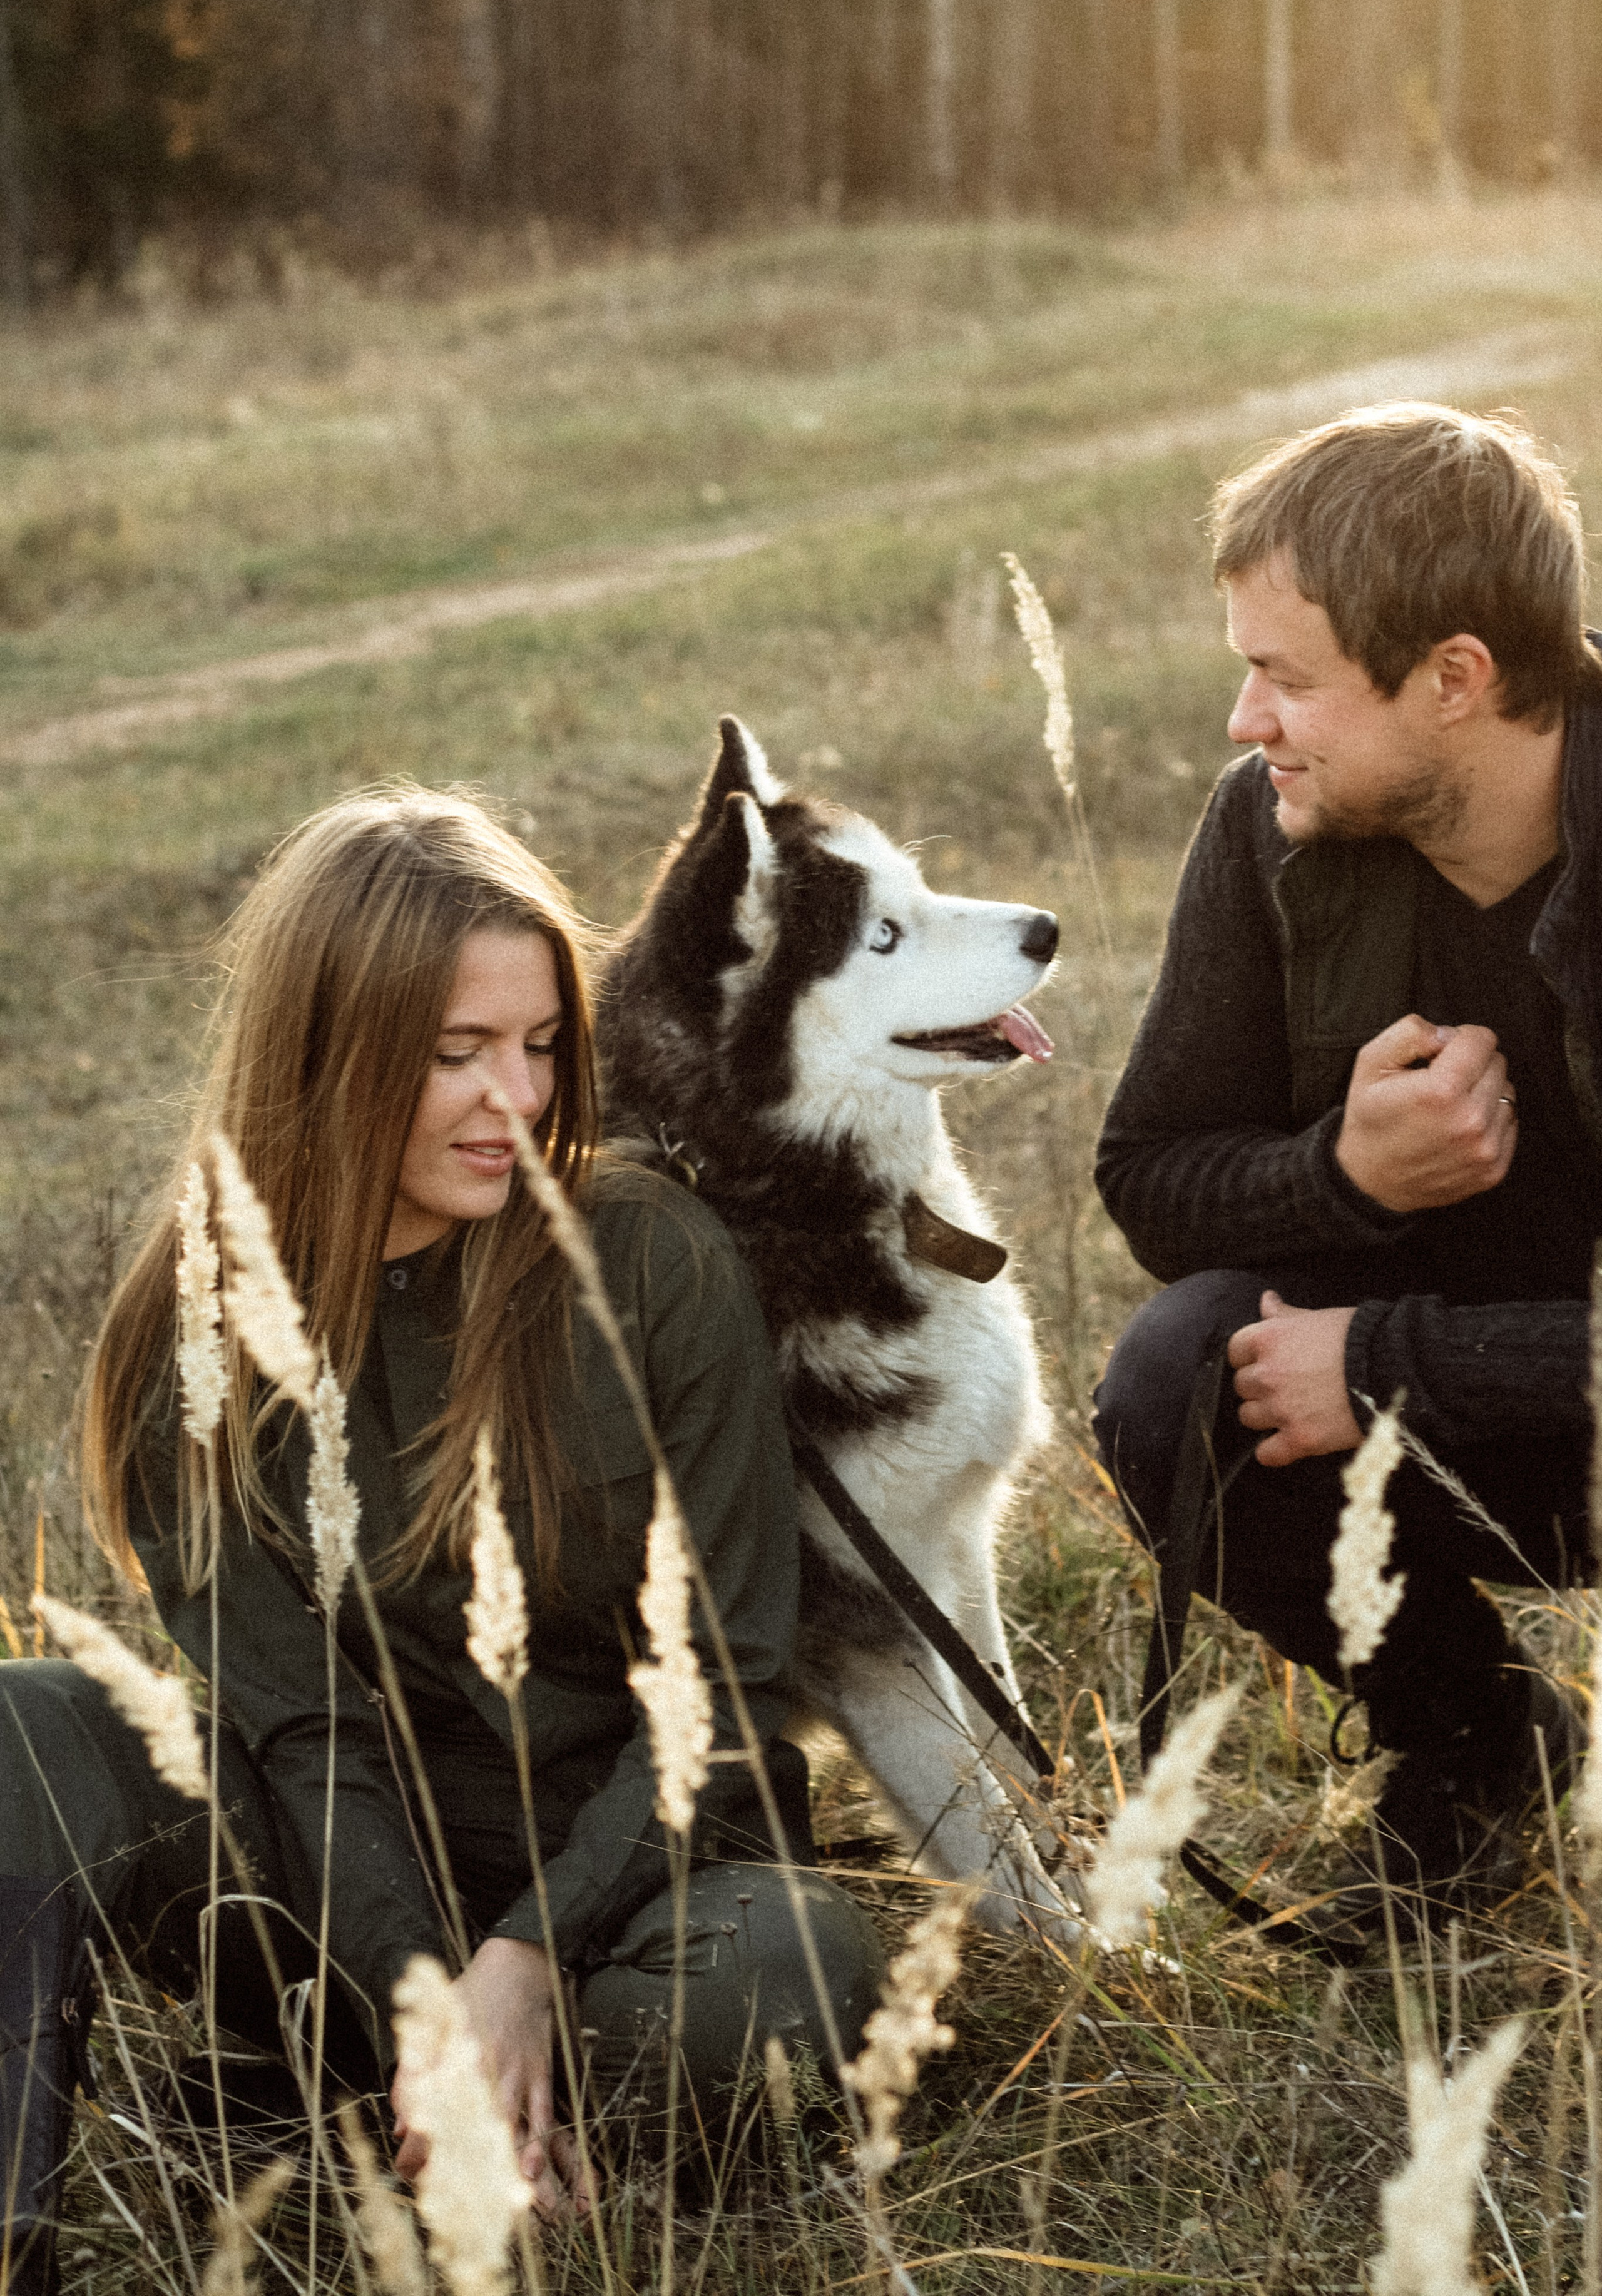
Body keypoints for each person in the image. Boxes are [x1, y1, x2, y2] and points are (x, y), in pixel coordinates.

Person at [1, 786, 884, 2292]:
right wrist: (431, 2004)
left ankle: (402, 2126)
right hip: (329, 1886)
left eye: (541, 1046)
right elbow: (302, 1735)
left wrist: (529, 1957)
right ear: (328, 1053)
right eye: (457, 1053)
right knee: (23, 1732)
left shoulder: (651, 1258)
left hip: (644, 1894)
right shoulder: (193, 1332)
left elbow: (729, 1677)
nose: (517, 1100)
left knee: (783, 1984)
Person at [1093, 403, 1599, 1934]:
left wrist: (1382, 1360)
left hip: (1504, 1378)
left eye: (1285, 678)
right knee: (1177, 1380)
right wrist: (1345, 1179)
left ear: (1455, 677)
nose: (1247, 720)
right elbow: (1148, 1175)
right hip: (1486, 1418)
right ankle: (1477, 1747)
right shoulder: (1270, 831)